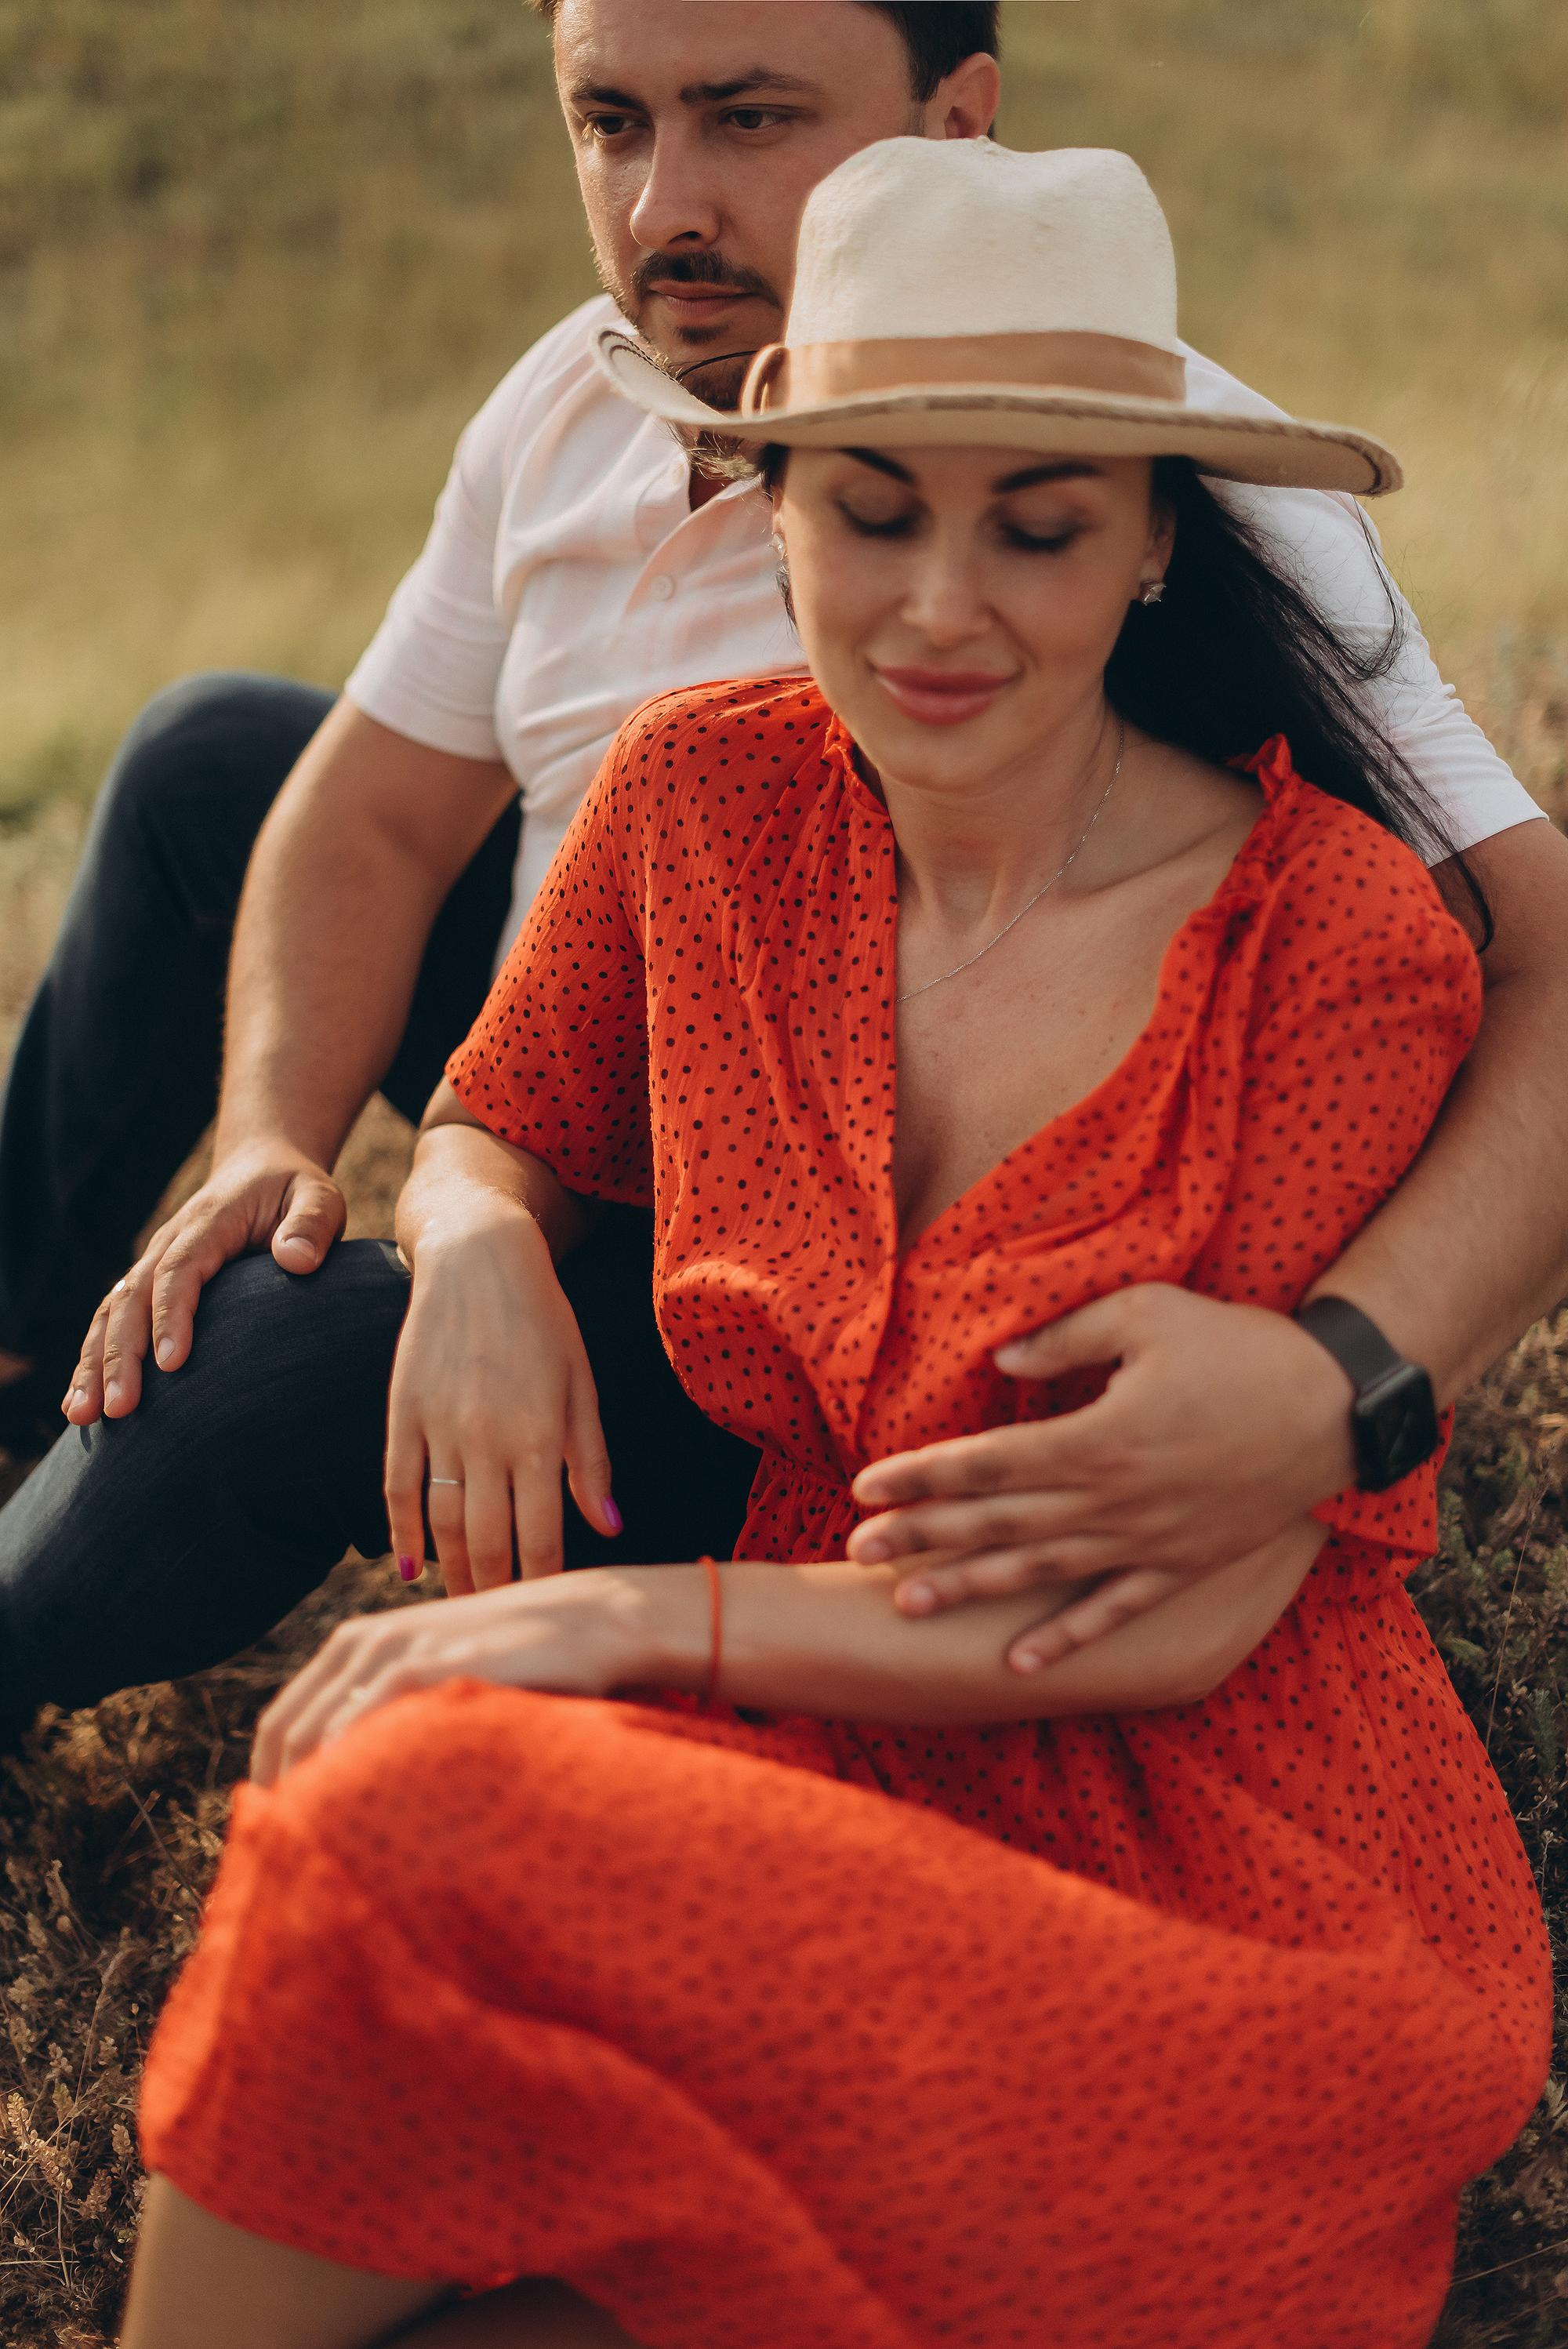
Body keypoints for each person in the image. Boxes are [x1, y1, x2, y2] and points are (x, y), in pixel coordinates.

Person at [121, 140, 1550, 2349]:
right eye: (872, 514)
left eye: (1036, 529)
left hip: (1218, 1903)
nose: (941, 608)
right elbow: (505, 1102)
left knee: (415, 1812)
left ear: (1157, 541)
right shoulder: (698, 799)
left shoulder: (1331, 940)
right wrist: (473, 1231)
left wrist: (609, 1622)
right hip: (818, 1766)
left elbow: (1176, 1614)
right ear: (762, 505)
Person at [2, 0, 1566, 1720]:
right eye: (610, 121)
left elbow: (1539, 964)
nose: (665, 205)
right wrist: (301, 1154)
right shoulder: (574, 398)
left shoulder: (1151, 472)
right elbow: (367, 814)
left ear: (956, 122)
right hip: (610, 1036)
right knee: (208, 758)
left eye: (750, 119)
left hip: (837, 1273)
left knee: (265, 1360)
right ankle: (23, 1361)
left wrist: (1343, 1380)